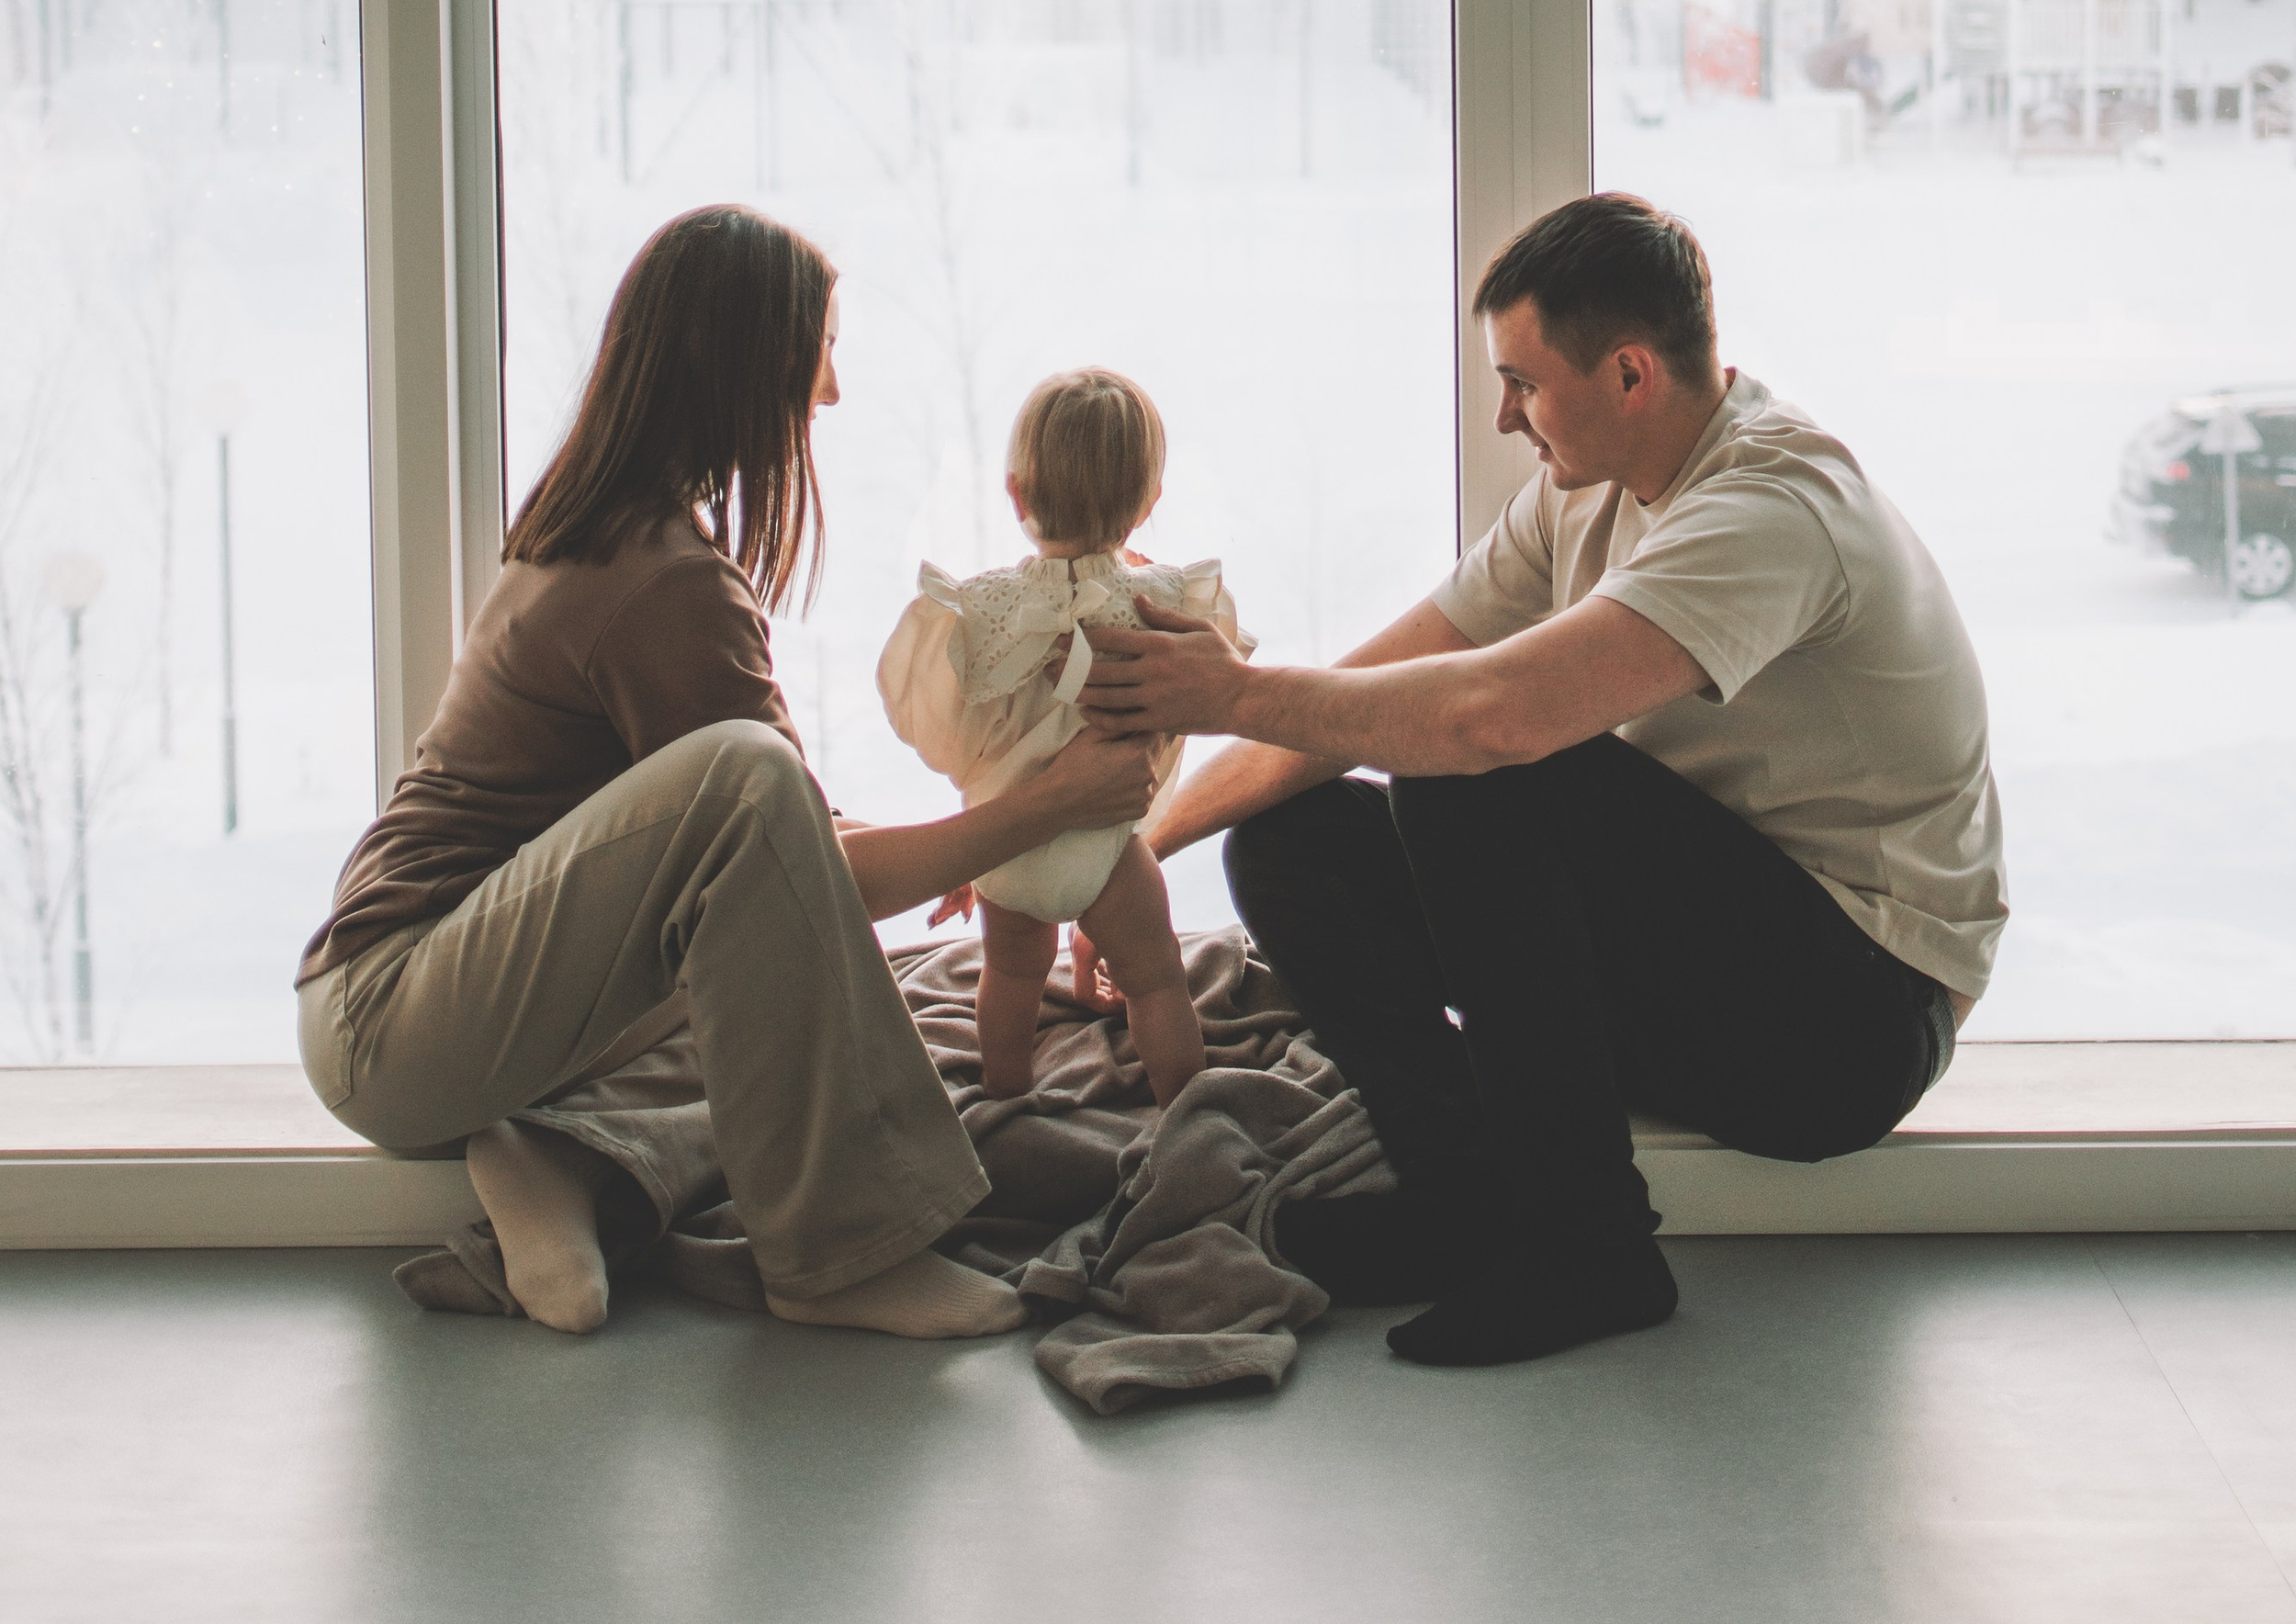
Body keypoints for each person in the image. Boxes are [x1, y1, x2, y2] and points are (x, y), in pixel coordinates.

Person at [1082, 192, 2006, 1372]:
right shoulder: (1581, 489)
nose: (1506, 414)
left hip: (1852, 1023)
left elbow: (1489, 718)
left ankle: (1592, 1248)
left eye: (1522, 381)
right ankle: (1465, 1204)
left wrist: (1223, 690)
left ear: (1627, 373)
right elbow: (1360, 695)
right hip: (1701, 978)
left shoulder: (1774, 505)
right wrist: (1136, 857)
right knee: (1288, 834)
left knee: (1471, 770)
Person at [296, 206, 1155, 1342]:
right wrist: (1041, 809)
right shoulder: (655, 578)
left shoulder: (623, 528)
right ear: (745, 363)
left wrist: (974, 835)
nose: (833, 393)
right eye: (823, 353)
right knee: (785, 870)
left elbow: (784, 850)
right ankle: (835, 1257)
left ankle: (562, 1152)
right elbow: (775, 816)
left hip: (470, 1015)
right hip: (394, 1022)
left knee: (814, 998)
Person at [878, 367, 1244, 1108]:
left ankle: (1007, 1094)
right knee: (1156, 977)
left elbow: (958, 739)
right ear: (1148, 502)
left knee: (1009, 974)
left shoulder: (980, 614)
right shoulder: (1166, 602)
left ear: (1016, 493)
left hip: (1004, 848)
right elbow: (1202, 703)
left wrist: (970, 840)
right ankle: (1186, 1109)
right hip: (1104, 850)